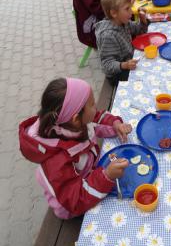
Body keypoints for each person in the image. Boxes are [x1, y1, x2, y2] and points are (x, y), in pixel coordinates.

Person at [19, 77, 132, 219]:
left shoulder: (72, 121)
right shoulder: (57, 161)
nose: (95, 107)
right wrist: (107, 176)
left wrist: (115, 124)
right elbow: (75, 200)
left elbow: (96, 117)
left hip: (90, 176)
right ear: (75, 119)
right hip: (72, 205)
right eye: (92, 104)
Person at [95, 0, 148, 85]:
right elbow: (107, 65)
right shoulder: (108, 35)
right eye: (127, 9)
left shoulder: (123, 21)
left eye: (130, 7)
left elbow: (138, 30)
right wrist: (124, 65)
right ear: (114, 13)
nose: (131, 12)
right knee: (145, 79)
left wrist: (143, 20)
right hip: (118, 74)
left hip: (129, 62)